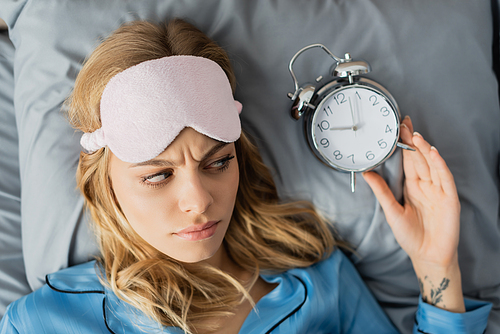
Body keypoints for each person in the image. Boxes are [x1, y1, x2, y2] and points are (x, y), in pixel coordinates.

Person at [0, 19, 492, 334]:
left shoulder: (320, 284)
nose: (198, 200)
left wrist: (436, 267)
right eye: (157, 176)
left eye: (217, 163)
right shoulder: (46, 322)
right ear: (104, 182)